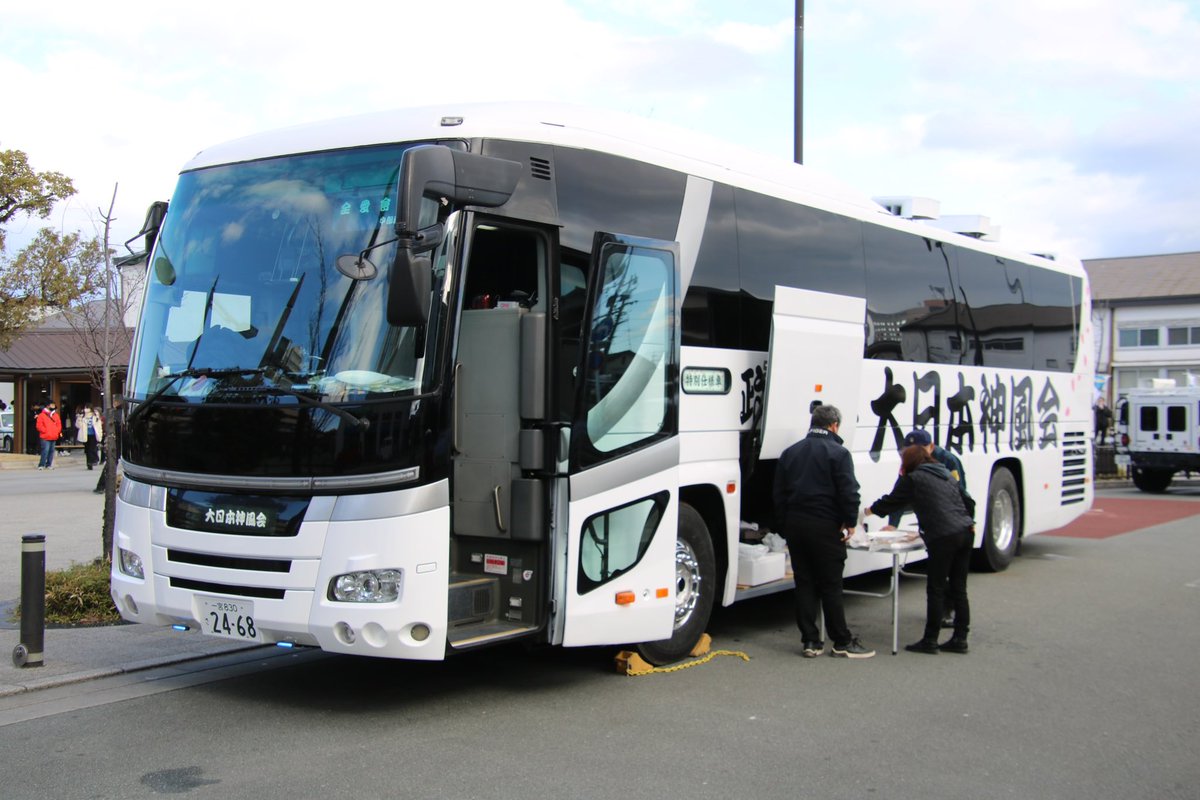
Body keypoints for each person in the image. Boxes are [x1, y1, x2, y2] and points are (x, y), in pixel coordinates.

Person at [773, 404, 875, 659]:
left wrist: (785, 524)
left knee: (804, 583)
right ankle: (841, 640)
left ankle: (810, 641)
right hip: (826, 525)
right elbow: (849, 491)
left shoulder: (790, 453)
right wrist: (850, 521)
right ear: (834, 426)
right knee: (831, 585)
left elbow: (778, 494)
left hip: (796, 525)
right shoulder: (839, 453)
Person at [865, 444, 976, 654]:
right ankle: (960, 639)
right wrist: (969, 521)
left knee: (935, 588)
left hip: (943, 536)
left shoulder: (913, 479)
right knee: (959, 588)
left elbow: (892, 501)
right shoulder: (944, 472)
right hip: (965, 531)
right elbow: (967, 499)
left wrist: (867, 511)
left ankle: (930, 640)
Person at [884, 428, 966, 629]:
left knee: (949, 577)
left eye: (918, 449)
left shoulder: (948, 461)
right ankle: (946, 619)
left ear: (931, 447)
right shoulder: (911, 461)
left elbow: (961, 494)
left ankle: (947, 614)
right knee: (939, 575)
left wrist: (966, 522)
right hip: (933, 525)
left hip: (950, 525)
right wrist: (893, 523)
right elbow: (901, 492)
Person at [75, 404, 104, 470]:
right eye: (85, 408)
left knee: (92, 448)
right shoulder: (82, 417)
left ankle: (93, 461)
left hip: (93, 435)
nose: (86, 409)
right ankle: (88, 463)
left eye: (87, 408)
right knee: (87, 450)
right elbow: (78, 426)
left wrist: (100, 435)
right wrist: (79, 418)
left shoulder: (95, 417)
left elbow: (99, 427)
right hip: (85, 435)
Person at [35, 402, 63, 470]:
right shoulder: (42, 415)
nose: (53, 406)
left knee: (51, 451)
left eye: (54, 405)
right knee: (45, 450)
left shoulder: (56, 415)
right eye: (52, 405)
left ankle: (49, 464)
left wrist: (57, 431)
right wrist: (45, 431)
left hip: (53, 436)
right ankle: (41, 464)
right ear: (47, 406)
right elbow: (39, 426)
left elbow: (59, 425)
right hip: (45, 436)